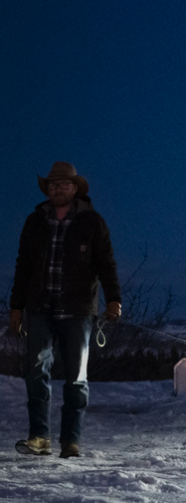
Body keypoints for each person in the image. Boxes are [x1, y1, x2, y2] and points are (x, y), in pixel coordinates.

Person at [9, 162, 122, 459]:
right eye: (53, 184)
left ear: (75, 189)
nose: (57, 188)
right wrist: (16, 307)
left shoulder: (93, 222)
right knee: (35, 374)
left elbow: (106, 264)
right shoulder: (35, 222)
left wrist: (114, 300)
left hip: (78, 311)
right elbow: (23, 266)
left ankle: (70, 441)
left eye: (64, 184)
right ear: (47, 189)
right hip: (39, 309)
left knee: (77, 378)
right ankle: (39, 437)